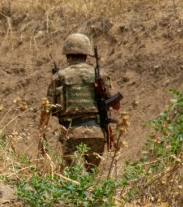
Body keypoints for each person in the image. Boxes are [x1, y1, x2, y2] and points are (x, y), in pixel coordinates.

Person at [39, 33, 121, 170]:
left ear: (67, 54)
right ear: (87, 54)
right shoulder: (98, 75)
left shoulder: (59, 77)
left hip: (70, 134)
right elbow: (117, 105)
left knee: (72, 180)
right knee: (88, 181)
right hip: (97, 134)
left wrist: (41, 138)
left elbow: (46, 109)